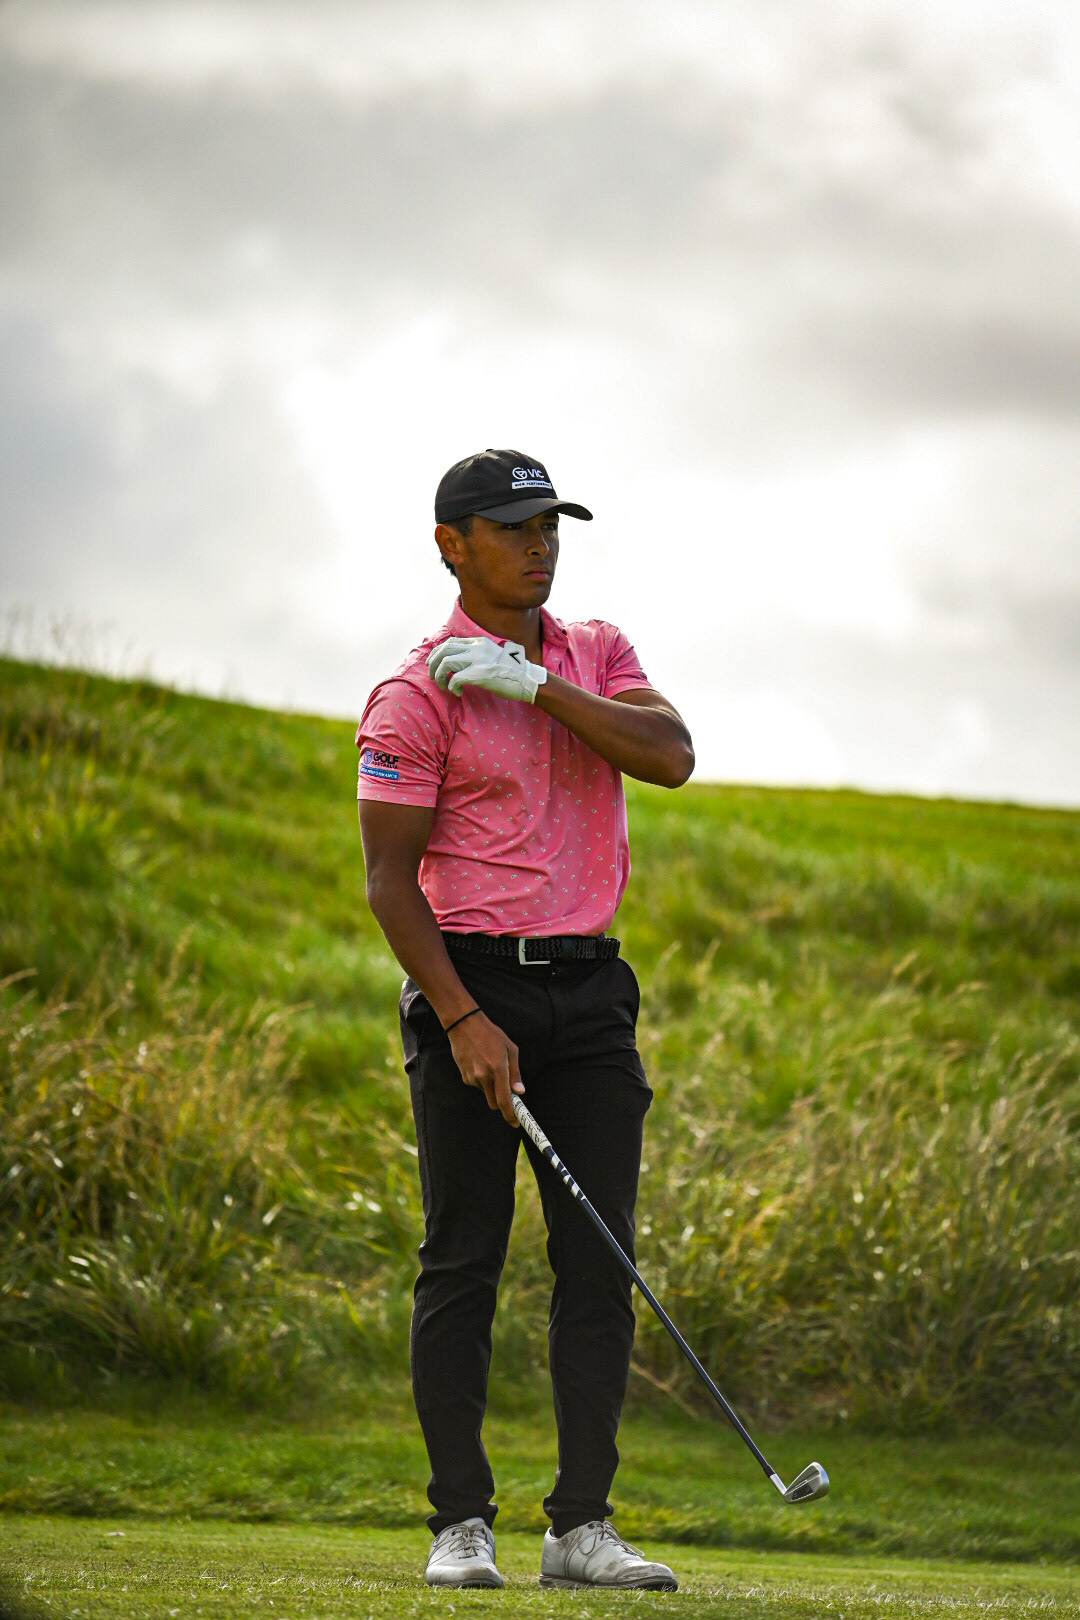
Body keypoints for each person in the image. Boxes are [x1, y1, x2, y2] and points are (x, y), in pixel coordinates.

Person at [355, 448, 694, 1591]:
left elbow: (671, 757)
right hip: (472, 984)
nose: (540, 544)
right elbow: (389, 884)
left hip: (591, 993)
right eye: (513, 527)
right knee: (464, 1258)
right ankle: (460, 1523)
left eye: (550, 524)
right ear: (452, 545)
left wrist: (534, 684)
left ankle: (580, 1528)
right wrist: (460, 1018)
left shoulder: (597, 651)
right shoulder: (413, 694)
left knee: (599, 1260)